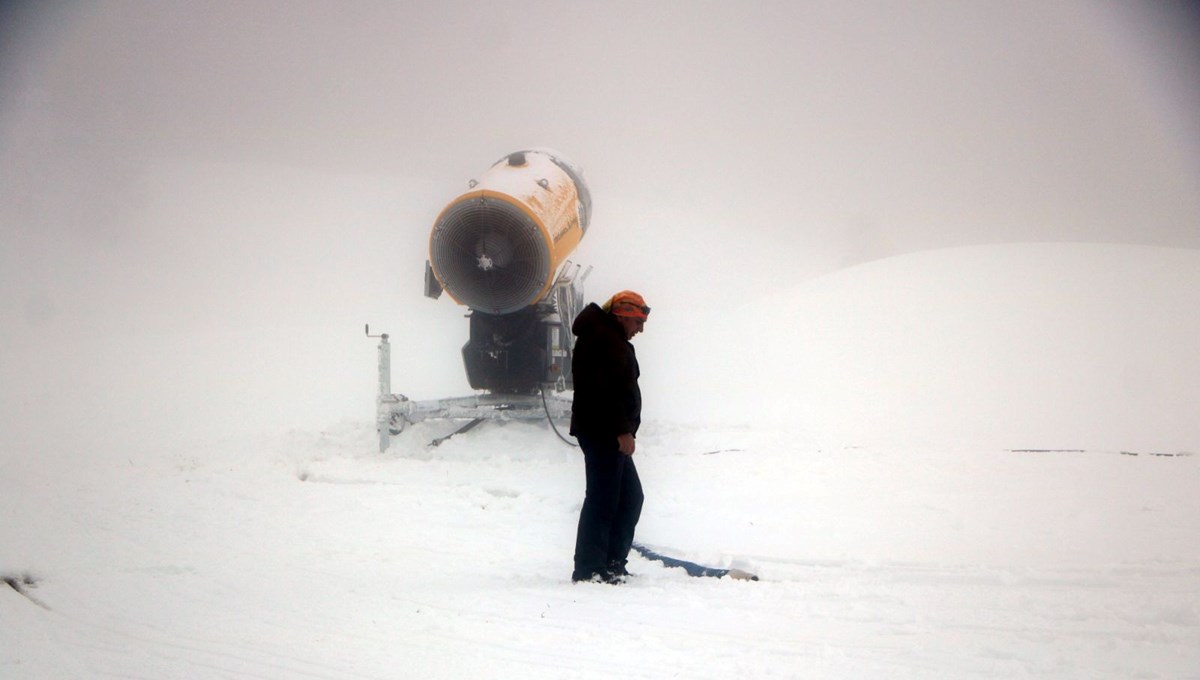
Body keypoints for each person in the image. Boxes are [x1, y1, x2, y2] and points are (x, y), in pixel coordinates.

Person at [569, 290, 650, 584]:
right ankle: (590, 569)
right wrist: (621, 430)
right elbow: (603, 391)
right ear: (623, 315)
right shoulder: (603, 338)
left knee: (629, 497)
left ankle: (612, 562)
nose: (639, 329)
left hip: (607, 431)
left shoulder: (609, 337)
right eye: (638, 322)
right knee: (603, 499)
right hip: (603, 431)